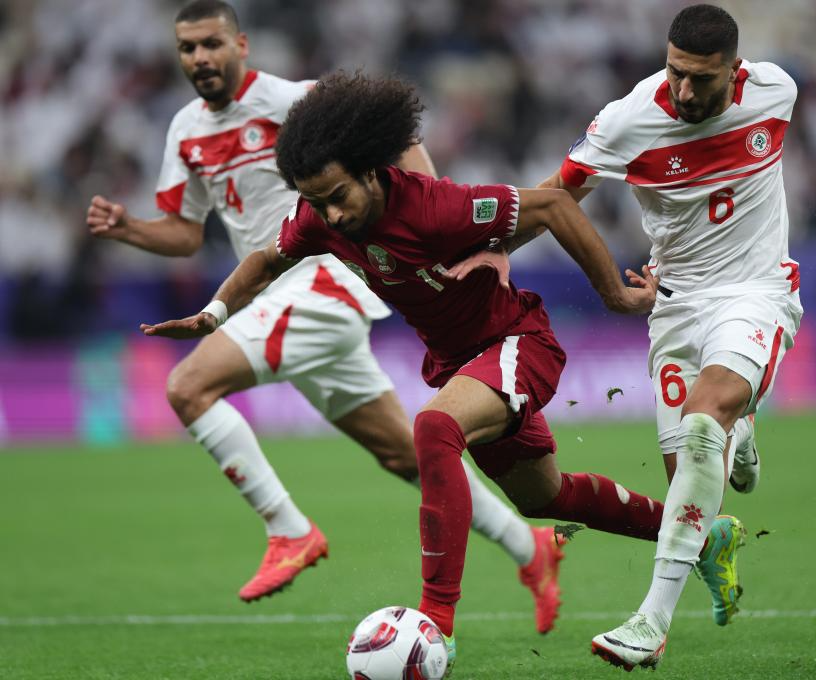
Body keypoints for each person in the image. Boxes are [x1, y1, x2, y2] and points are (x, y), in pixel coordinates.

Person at [140, 69, 670, 666]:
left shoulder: (435, 208)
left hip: (517, 343)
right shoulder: (319, 217)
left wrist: (616, 296)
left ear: (370, 170)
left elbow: (551, 205)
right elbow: (266, 260)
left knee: (433, 428)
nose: (330, 214)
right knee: (546, 497)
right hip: (461, 362)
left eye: (338, 196)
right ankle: (694, 533)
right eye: (316, 202)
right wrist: (213, 314)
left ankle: (436, 621)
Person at [85, 0, 565, 634]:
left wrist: (434, 224)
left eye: (211, 43)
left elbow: (397, 138)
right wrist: (130, 230)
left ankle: (287, 529)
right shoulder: (185, 132)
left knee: (188, 387)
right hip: (274, 296)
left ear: (240, 45)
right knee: (407, 456)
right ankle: (531, 548)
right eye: (187, 48)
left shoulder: (292, 100)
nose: (200, 57)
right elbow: (184, 233)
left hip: (318, 282)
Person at [455, 4, 801, 669]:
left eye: (702, 78)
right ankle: (739, 434)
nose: (686, 91)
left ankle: (651, 624)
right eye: (675, 73)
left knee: (702, 427)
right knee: (692, 482)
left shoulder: (775, 92)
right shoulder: (628, 120)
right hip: (673, 305)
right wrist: (496, 251)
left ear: (736, 69)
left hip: (755, 292)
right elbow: (556, 196)